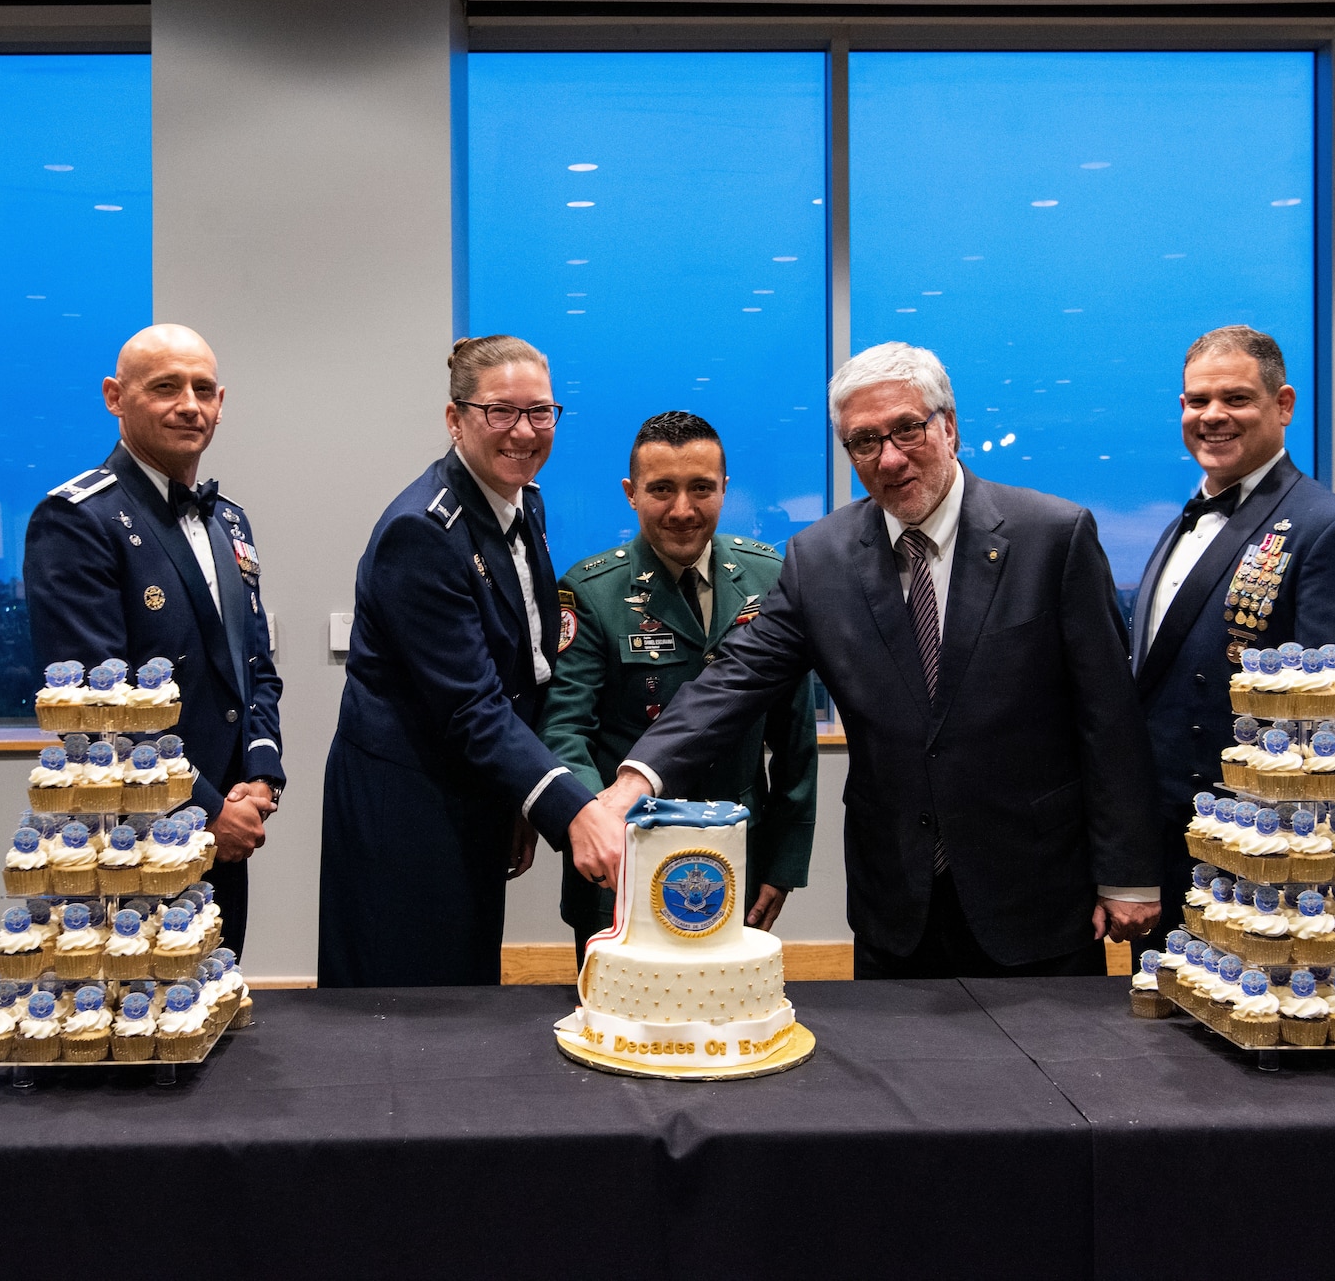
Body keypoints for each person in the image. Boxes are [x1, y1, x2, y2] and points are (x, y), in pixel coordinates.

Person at [596, 341, 1163, 979]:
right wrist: (634, 781)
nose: (889, 459)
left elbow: (1108, 717)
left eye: (907, 430)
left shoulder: (1052, 537)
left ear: (950, 427)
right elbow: (733, 679)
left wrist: (1130, 875)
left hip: (1034, 886)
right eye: (864, 441)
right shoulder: (821, 558)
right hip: (896, 896)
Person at [318, 336, 624, 987]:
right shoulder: (422, 532)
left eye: (540, 411)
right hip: (405, 799)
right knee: (398, 993)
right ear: (455, 419)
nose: (524, 430)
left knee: (463, 978)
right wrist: (570, 807)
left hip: (474, 784)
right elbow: (470, 704)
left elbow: (531, 662)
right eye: (501, 412)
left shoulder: (523, 501)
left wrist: (519, 798)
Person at [24, 323, 284, 960]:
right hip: (130, 835)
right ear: (116, 397)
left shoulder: (229, 520)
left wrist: (260, 772)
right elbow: (97, 708)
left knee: (215, 1003)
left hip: (229, 817)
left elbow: (253, 668)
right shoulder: (78, 518)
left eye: (202, 389)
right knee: (134, 1021)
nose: (188, 405)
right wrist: (204, 808)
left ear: (221, 402)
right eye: (165, 387)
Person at [1132, 324, 1335, 933]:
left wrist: (1303, 855)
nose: (1213, 416)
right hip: (1175, 833)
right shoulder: (1180, 526)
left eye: (1236, 398)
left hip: (1264, 847)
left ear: (1283, 405)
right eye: (1198, 401)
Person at [539, 411, 818, 965]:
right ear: (631, 493)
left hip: (737, 854)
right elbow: (565, 728)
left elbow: (795, 736)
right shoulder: (591, 590)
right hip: (624, 856)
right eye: (662, 489)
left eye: (701, 489)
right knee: (620, 1027)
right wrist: (595, 828)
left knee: (722, 1024)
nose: (683, 510)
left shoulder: (771, 577)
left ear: (725, 489)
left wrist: (783, 864)